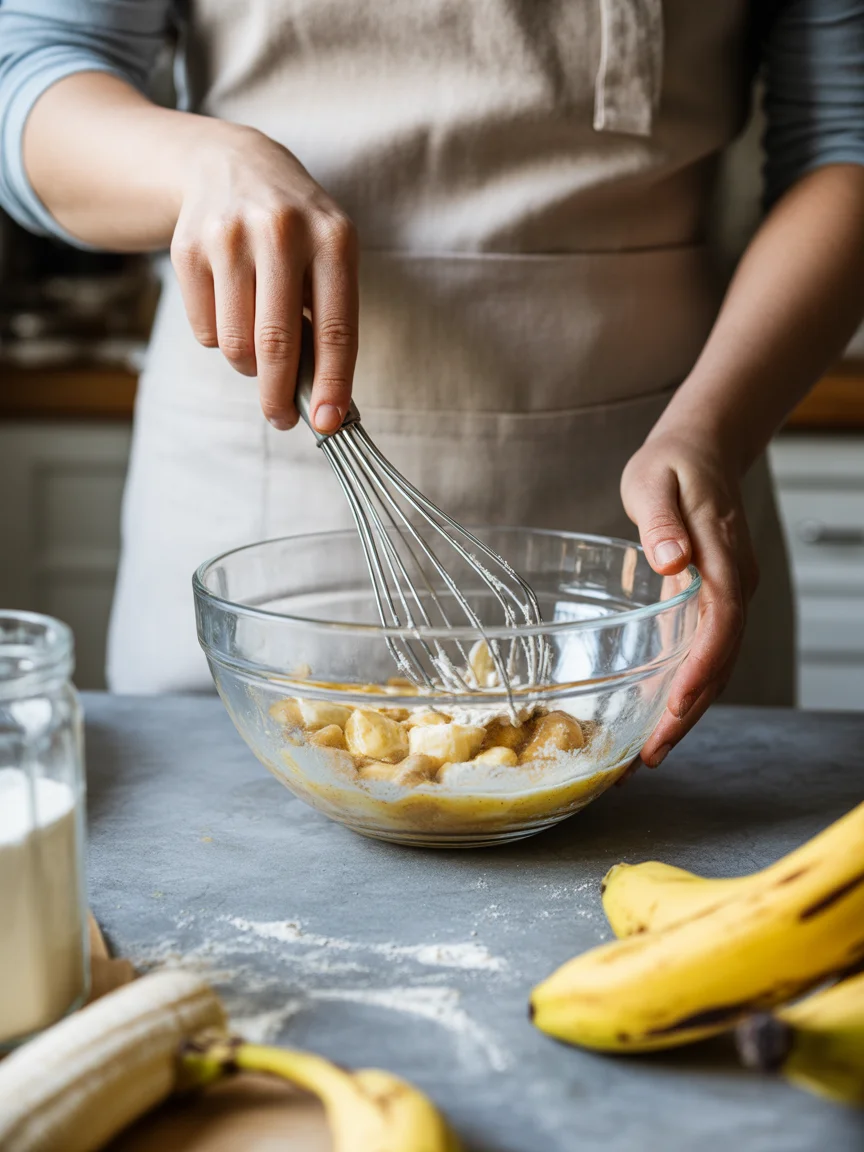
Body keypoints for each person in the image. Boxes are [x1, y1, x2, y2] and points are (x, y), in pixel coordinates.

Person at [1, 1, 863, 769]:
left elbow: (845, 141)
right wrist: (201, 163)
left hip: (658, 493)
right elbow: (30, 78)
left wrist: (713, 429)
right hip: (259, 478)